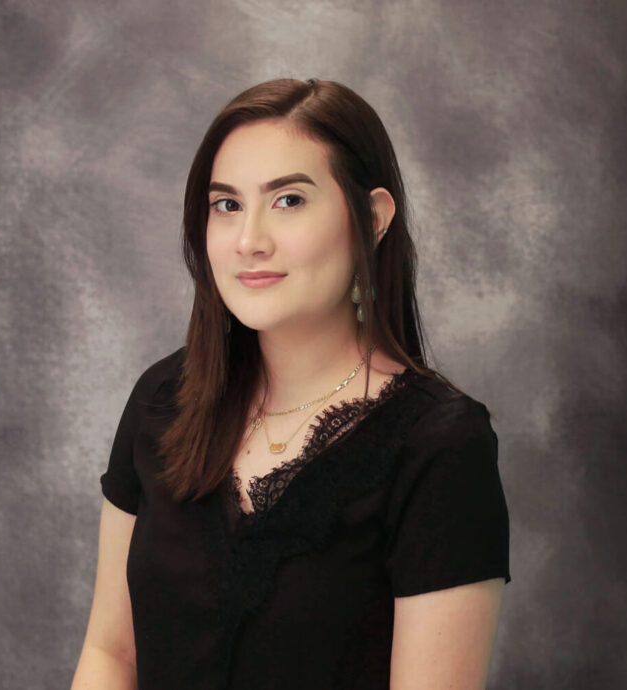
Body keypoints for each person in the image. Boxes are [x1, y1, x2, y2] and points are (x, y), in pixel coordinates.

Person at [70, 78, 511, 690]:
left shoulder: (441, 445)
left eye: (289, 200)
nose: (250, 241)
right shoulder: (162, 399)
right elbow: (111, 655)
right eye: (227, 205)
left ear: (373, 219)